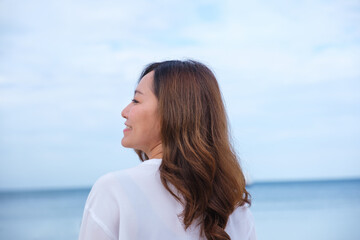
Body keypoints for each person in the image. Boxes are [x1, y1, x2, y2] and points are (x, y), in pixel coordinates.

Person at [78, 60, 256, 240]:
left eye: (136, 100)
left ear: (172, 111)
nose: (124, 111)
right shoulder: (234, 207)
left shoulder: (113, 190)